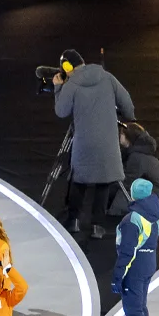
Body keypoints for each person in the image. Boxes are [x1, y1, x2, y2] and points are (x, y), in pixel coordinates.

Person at [53, 49, 135, 238]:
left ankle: (73, 220)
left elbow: (61, 111)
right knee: (103, 180)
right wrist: (128, 117)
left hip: (84, 144)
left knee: (79, 180)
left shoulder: (72, 84)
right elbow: (127, 105)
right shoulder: (107, 77)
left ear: (67, 67)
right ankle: (98, 226)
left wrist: (58, 88)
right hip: (108, 144)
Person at [114, 179, 159, 316]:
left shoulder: (132, 220)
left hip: (134, 268)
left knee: (134, 312)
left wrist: (117, 277)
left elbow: (127, 252)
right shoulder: (155, 211)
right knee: (141, 308)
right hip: (149, 263)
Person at [110, 122, 159, 217]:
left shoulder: (137, 156)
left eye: (121, 134)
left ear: (128, 136)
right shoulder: (142, 151)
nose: (119, 136)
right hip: (155, 192)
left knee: (119, 194)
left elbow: (127, 182)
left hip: (151, 193)